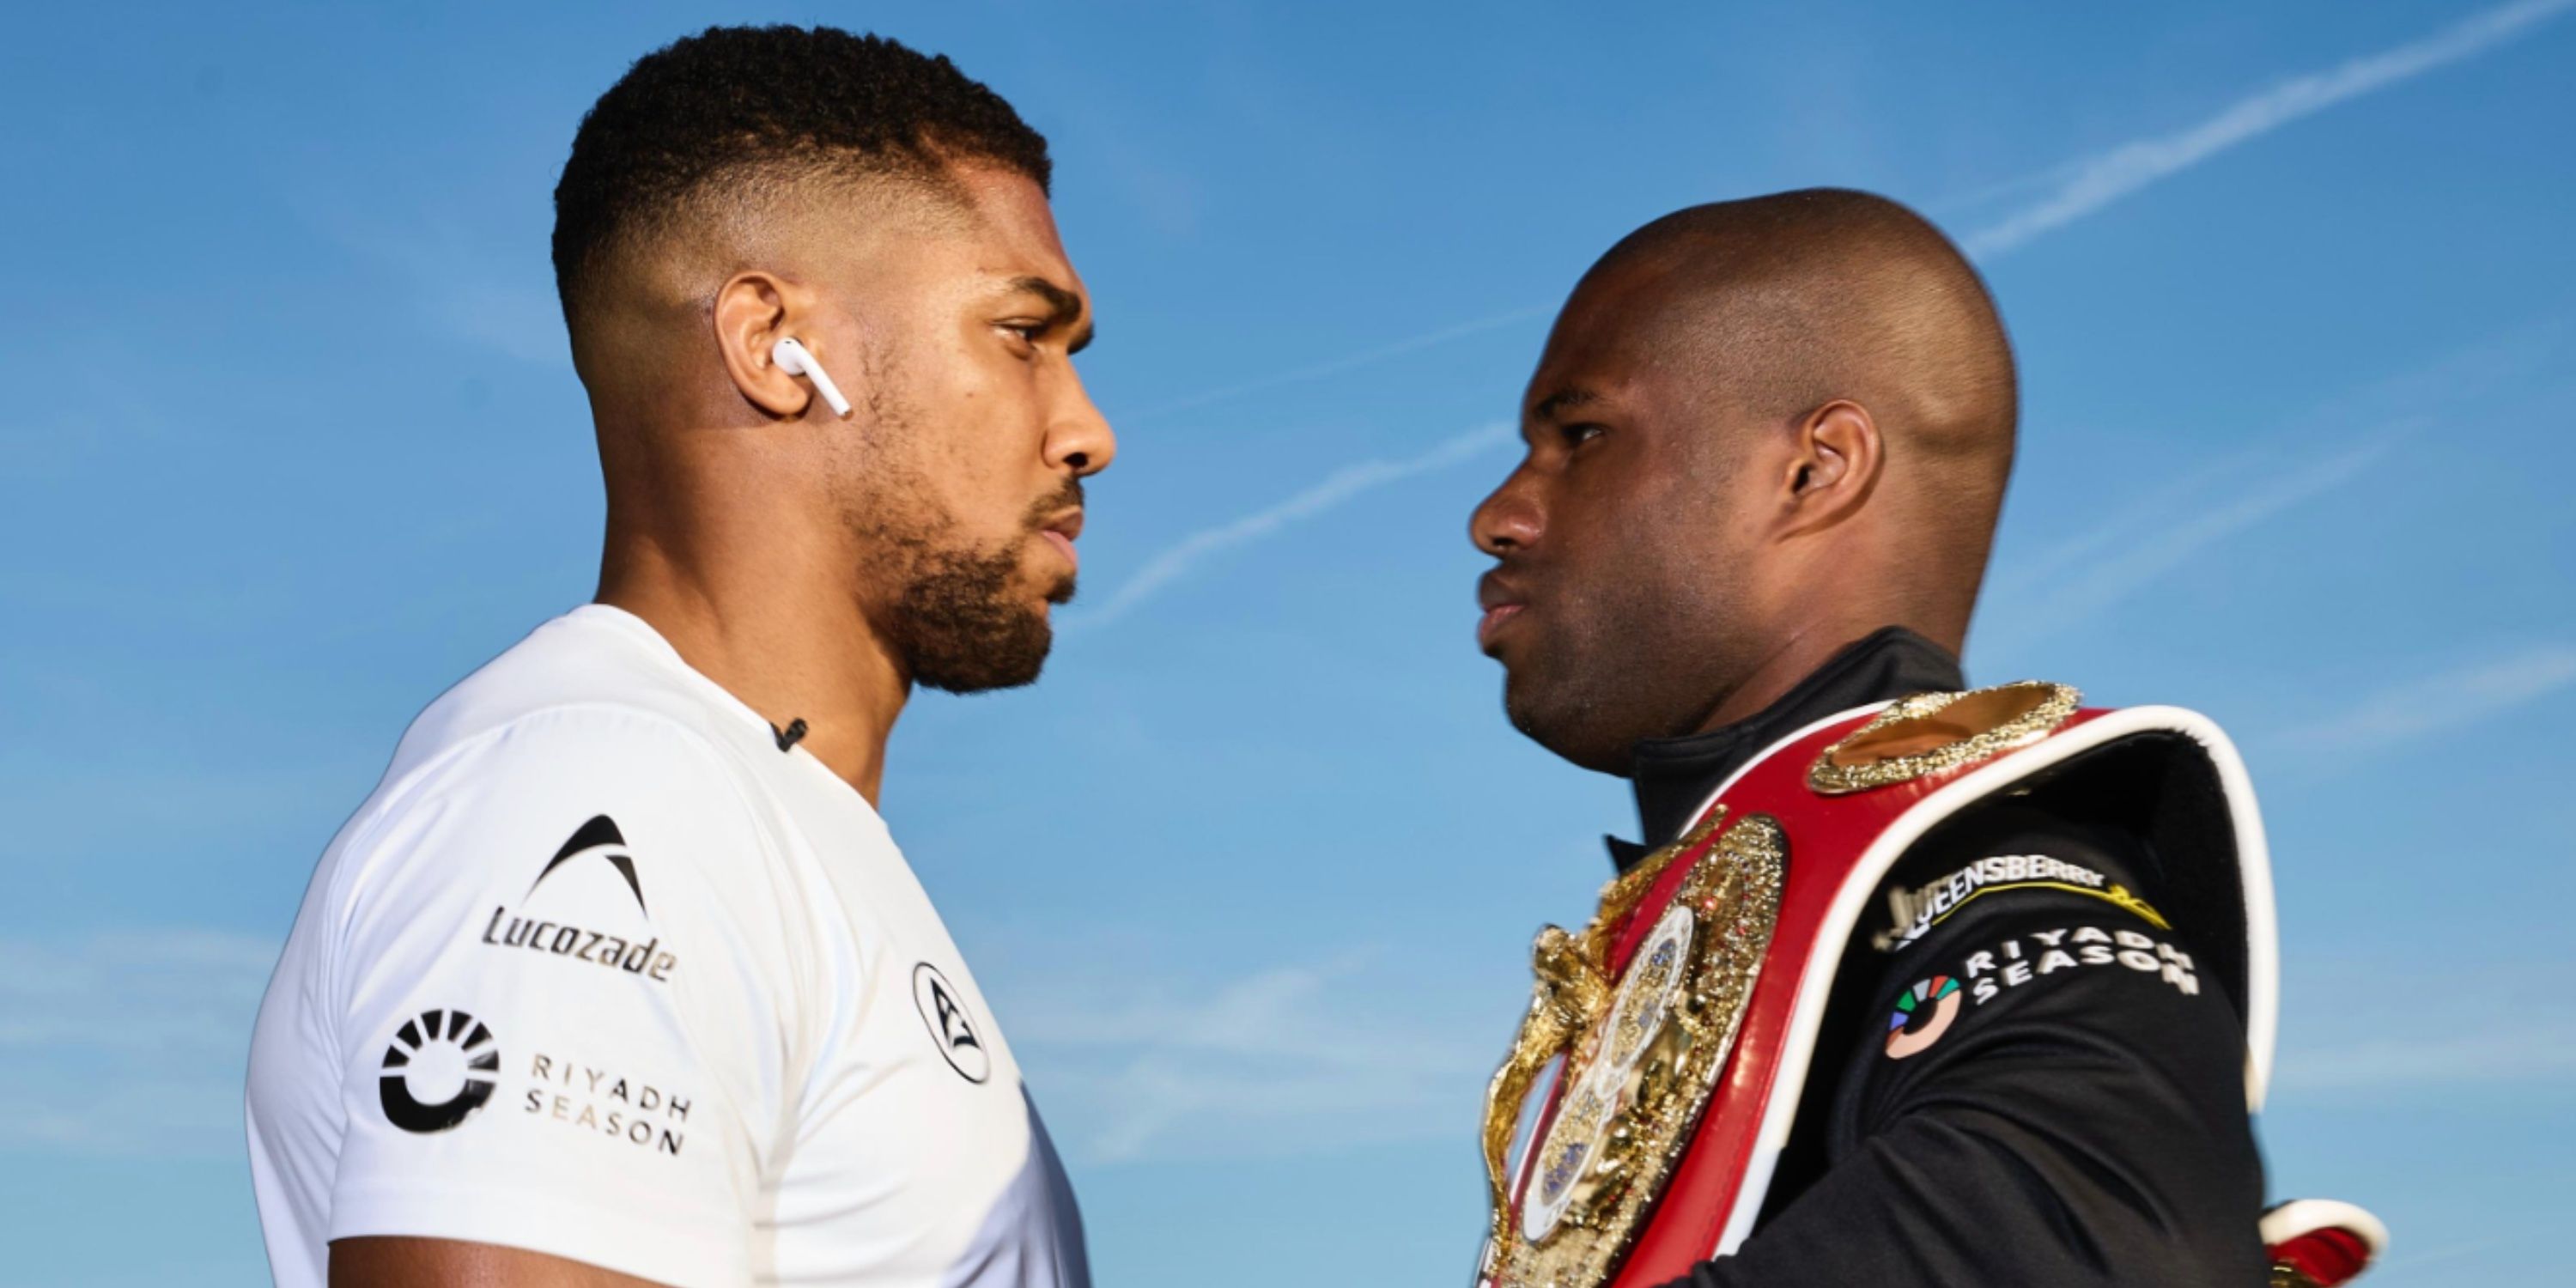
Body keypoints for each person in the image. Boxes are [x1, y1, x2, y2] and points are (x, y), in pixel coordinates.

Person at [246, 26, 1110, 1288]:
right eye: (1024, 333)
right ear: (772, 345)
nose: (1088, 429)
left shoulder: (758, 817)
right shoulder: (608, 797)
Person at [1466, 189, 2338, 1285]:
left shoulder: (1998, 900)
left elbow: (2108, 1248)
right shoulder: (1776, 916)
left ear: (1816, 469)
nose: (1499, 513)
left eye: (1579, 436)